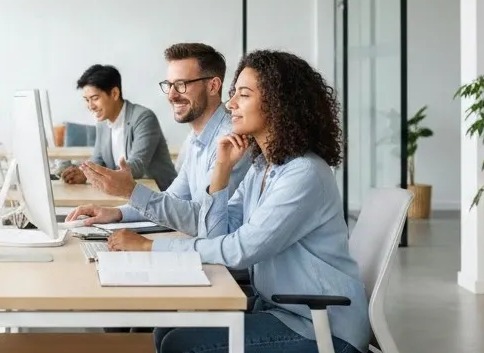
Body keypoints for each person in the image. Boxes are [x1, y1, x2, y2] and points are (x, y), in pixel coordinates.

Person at [105, 50, 369, 353]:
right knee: (167, 329)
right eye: (234, 94)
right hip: (279, 307)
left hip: (320, 325)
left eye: (243, 95)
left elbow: (239, 249)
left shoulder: (303, 174)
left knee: (180, 343)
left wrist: (149, 247)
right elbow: (217, 235)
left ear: (278, 104)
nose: (231, 105)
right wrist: (221, 171)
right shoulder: (263, 167)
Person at [66, 43, 251, 239]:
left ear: (213, 86)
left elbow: (203, 218)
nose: (171, 95)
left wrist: (132, 191)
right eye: (169, 85)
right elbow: (172, 200)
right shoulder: (195, 138)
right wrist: (116, 213)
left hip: (222, 264)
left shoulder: (231, 140)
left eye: (181, 85)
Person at [61, 64, 177, 191]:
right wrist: (81, 171)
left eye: (95, 98)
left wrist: (90, 174)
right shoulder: (102, 124)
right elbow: (98, 159)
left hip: (161, 196)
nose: (90, 106)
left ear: (115, 93)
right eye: (87, 100)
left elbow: (137, 166)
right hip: (127, 196)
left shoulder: (143, 118)